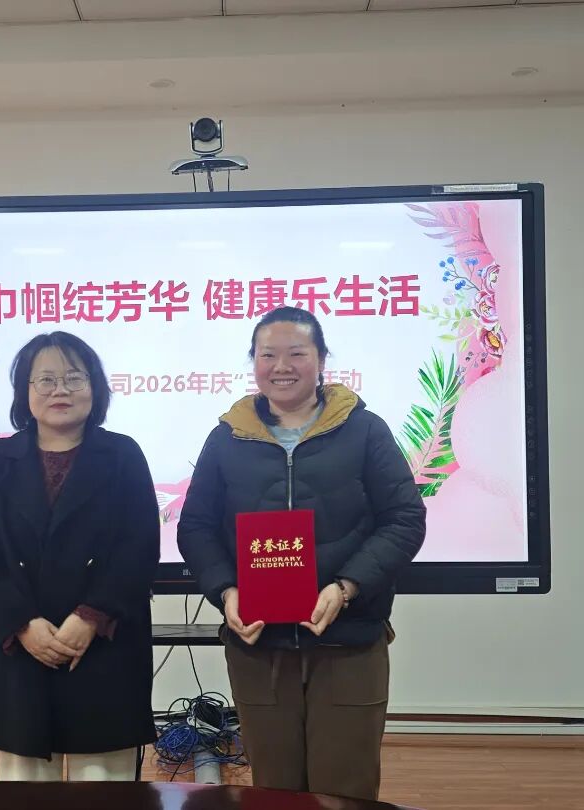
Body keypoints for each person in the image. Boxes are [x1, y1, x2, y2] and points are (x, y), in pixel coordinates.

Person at [177, 306, 426, 800]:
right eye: (267, 355)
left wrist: (347, 586)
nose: (281, 367)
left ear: (321, 359)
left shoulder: (364, 430)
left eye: (297, 353)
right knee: (274, 790)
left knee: (344, 789)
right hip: (259, 646)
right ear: (253, 361)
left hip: (348, 642)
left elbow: (404, 518)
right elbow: (196, 527)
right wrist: (225, 591)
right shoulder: (227, 438)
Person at [0, 331, 160, 781]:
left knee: (103, 784)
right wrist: (21, 623)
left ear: (95, 387)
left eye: (74, 378)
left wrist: (91, 616)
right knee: (23, 787)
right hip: (20, 646)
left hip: (103, 644)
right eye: (45, 380)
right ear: (25, 391)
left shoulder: (123, 456)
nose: (60, 390)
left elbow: (139, 546)